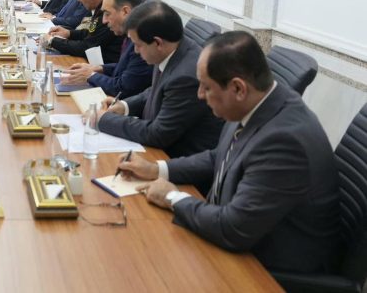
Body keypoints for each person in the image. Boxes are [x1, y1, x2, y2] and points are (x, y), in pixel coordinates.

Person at [118, 31, 341, 274]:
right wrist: (156, 169)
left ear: (237, 88)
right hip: (237, 235)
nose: (199, 95)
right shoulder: (259, 103)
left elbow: (233, 228)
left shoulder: (284, 141)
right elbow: (219, 157)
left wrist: (172, 197)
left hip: (267, 268)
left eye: (206, 87)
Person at [97, 1, 223, 158]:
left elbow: (158, 134)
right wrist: (125, 105)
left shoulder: (185, 77)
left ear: (157, 43)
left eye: (138, 45)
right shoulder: (171, 50)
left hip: (177, 158)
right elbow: (156, 90)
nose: (135, 51)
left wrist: (104, 120)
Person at [62, 0, 152, 98]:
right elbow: (125, 67)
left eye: (107, 13)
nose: (104, 20)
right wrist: (99, 68)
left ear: (125, 11)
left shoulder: (142, 41)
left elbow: (121, 89)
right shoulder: (130, 32)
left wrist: (91, 75)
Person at [45, 0, 123, 62]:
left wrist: (52, 40)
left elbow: (86, 47)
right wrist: (69, 33)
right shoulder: (99, 7)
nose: (78, 0)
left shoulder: (108, 12)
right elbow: (92, 33)